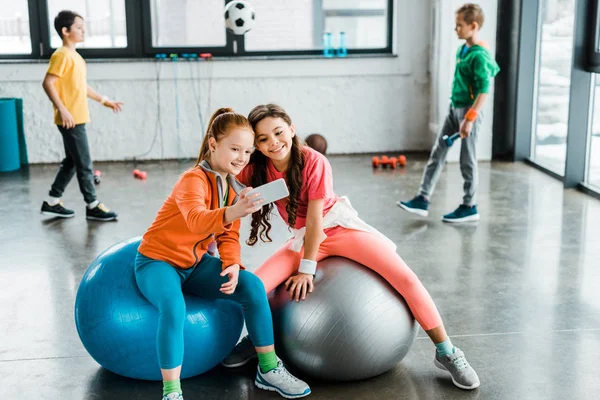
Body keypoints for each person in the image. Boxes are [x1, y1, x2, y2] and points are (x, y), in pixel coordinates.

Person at [221, 104, 480, 390]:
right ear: (255, 144)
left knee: (405, 277)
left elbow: (317, 219)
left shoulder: (315, 161)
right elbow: (222, 172)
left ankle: (447, 352)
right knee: (254, 285)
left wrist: (307, 269)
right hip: (302, 237)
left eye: (278, 133)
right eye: (263, 139)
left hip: (337, 228)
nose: (273, 143)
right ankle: (256, 339)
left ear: (291, 130)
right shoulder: (258, 167)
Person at [135, 108, 311, 400]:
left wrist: (231, 264)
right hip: (157, 262)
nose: (242, 158)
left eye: (247, 151)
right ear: (213, 144)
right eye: (235, 149)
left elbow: (228, 234)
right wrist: (236, 210)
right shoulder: (192, 180)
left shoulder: (230, 186)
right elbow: (196, 219)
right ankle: (172, 391)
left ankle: (268, 368)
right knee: (174, 308)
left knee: (252, 284)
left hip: (192, 265)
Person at [399, 3, 500, 223]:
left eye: (459, 26)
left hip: (468, 113)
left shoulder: (479, 56)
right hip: (454, 108)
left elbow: (484, 91)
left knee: (467, 159)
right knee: (438, 152)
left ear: (473, 26)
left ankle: (469, 205)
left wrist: (469, 119)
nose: (456, 29)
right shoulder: (462, 49)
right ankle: (422, 199)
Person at [40, 10, 122, 221]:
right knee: (84, 163)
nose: (83, 31)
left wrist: (105, 101)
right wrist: (63, 109)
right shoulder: (61, 55)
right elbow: (48, 83)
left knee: (72, 161)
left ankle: (52, 201)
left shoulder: (75, 57)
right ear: (65, 31)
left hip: (77, 117)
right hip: (71, 119)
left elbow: (81, 86)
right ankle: (92, 205)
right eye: (78, 28)